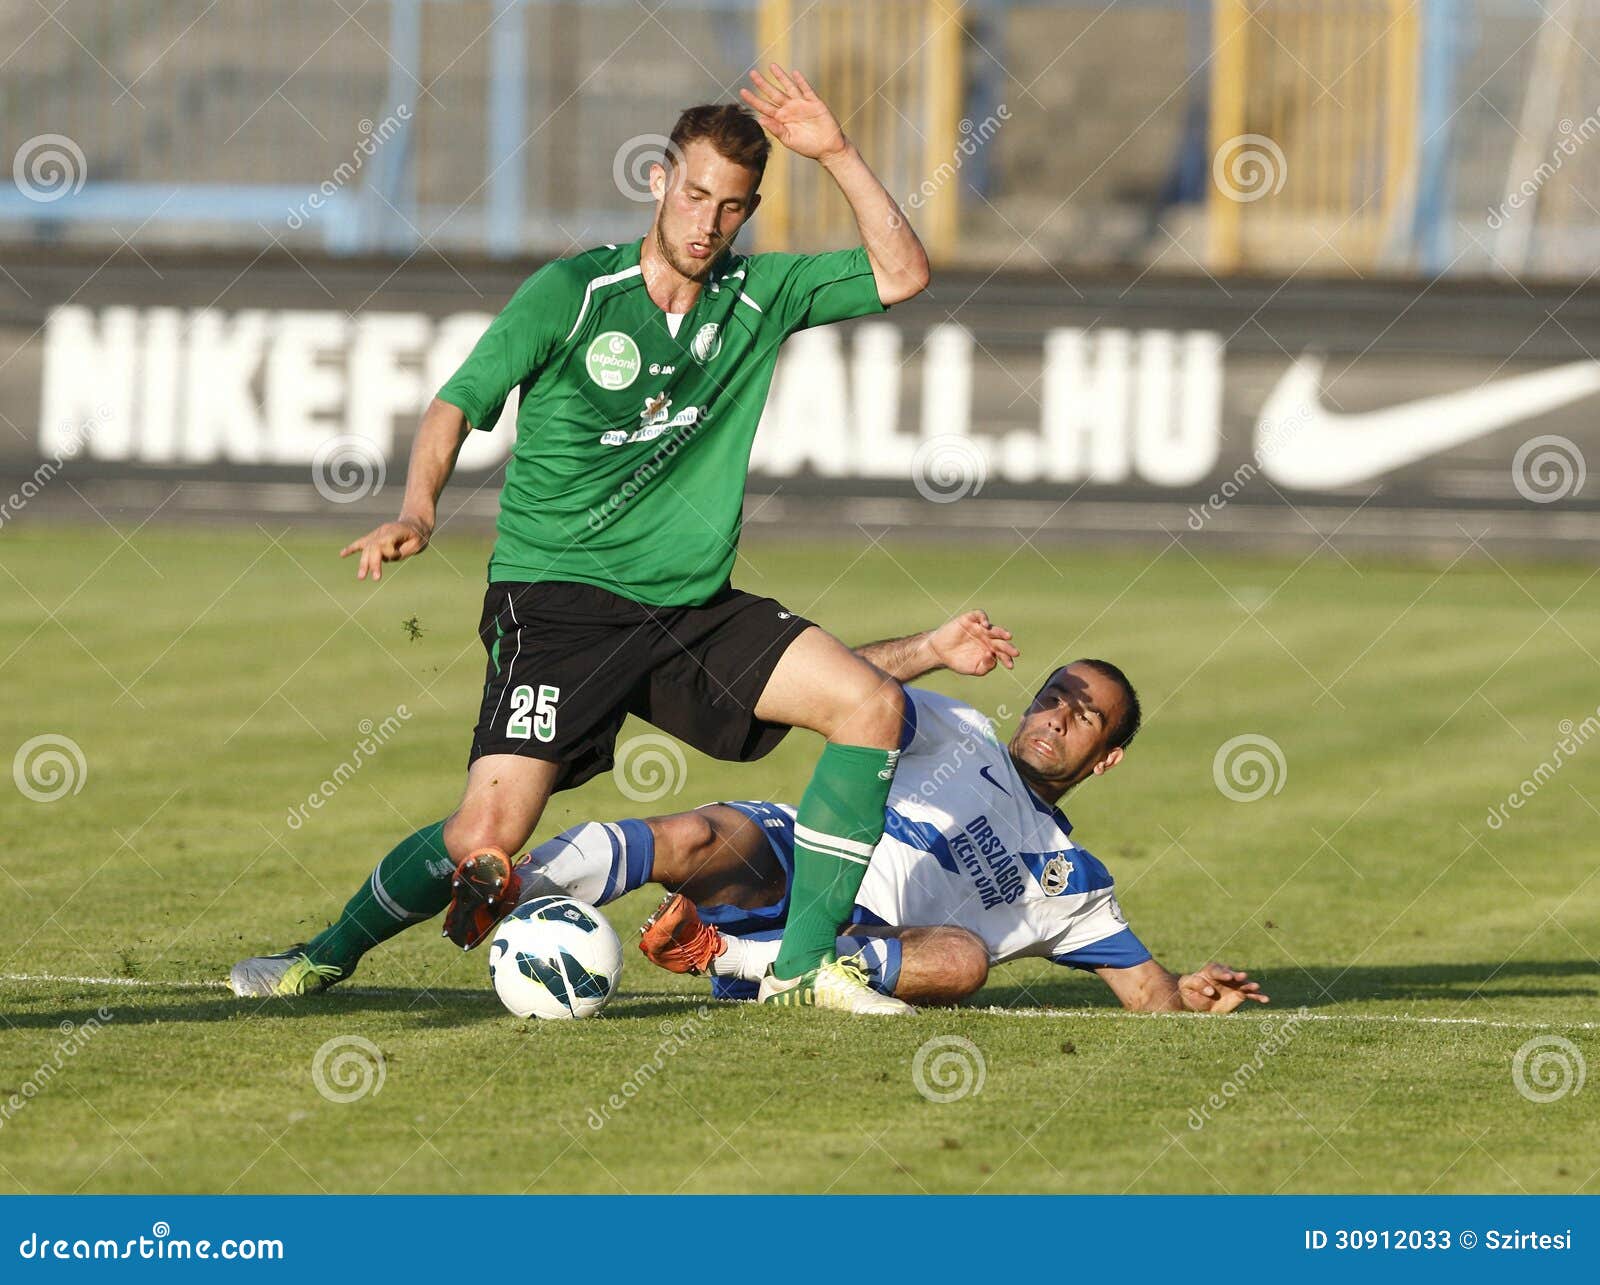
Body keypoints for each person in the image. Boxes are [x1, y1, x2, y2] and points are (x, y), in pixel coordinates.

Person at [230, 68, 931, 1014]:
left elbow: (903, 273)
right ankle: (322, 954)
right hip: (557, 602)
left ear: (750, 212)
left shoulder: (761, 295)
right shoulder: (574, 290)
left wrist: (838, 154)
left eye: (729, 208)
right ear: (658, 181)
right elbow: (454, 406)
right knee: (486, 836)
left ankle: (807, 969)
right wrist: (418, 511)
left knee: (871, 707)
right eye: (692, 195)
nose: (706, 223)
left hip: (689, 606)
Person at [507, 611, 1269, 1014]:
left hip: (866, 943)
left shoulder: (1074, 882)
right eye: (1052, 696)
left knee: (967, 960)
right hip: (791, 864)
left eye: (1086, 716)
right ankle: (515, 883)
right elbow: (836, 682)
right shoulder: (958, 729)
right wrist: (933, 648)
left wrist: (1191, 994)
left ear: (1106, 758)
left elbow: (1147, 990)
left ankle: (731, 959)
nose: (1056, 717)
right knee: (695, 833)